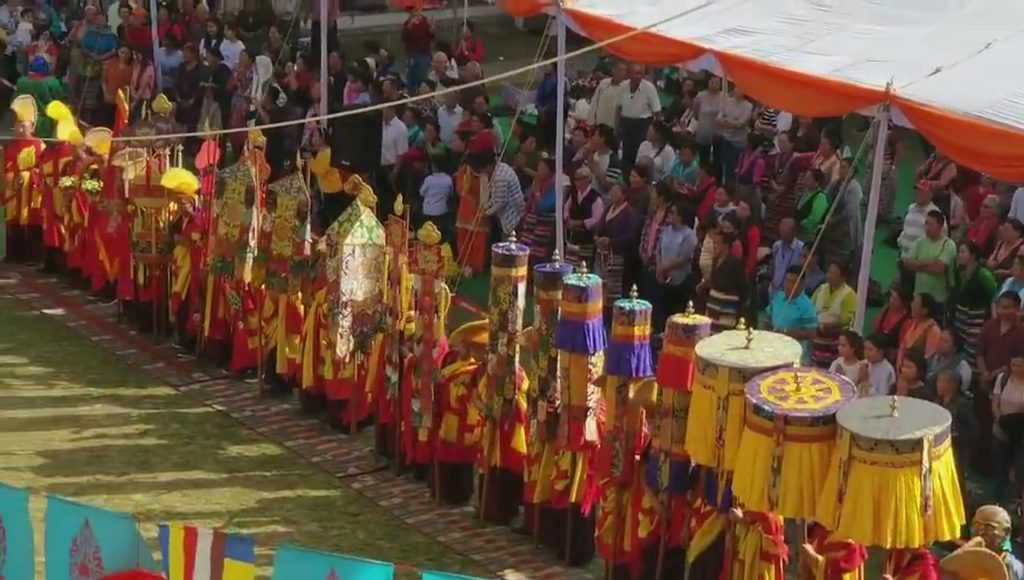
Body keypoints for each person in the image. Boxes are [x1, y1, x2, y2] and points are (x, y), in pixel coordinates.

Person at [977, 291, 1024, 479]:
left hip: (1007, 384)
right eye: (1001, 307)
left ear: (1017, 309)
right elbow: (980, 351)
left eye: (1008, 307)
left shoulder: (1021, 333)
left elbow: (1017, 362)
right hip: (986, 383)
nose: (1004, 311)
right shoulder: (990, 326)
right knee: (984, 427)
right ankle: (984, 469)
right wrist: (983, 372)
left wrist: (994, 375)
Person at [595, 183, 643, 308]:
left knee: (614, 291)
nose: (613, 195)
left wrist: (611, 242)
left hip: (619, 257)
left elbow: (631, 237)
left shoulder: (630, 214)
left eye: (616, 192)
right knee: (602, 288)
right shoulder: (609, 209)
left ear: (623, 195)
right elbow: (599, 226)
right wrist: (597, 237)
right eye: (612, 192)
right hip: (603, 255)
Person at [950, 241, 998, 366]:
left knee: (973, 350)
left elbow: (995, 295)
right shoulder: (959, 272)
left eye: (962, 252)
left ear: (973, 255)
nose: (959, 255)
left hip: (977, 318)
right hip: (960, 316)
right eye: (958, 252)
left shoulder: (983, 274)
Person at [904, 210, 957, 311]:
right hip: (919, 298)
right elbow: (907, 263)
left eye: (930, 224)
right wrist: (930, 262)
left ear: (940, 226)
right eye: (926, 224)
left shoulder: (949, 245)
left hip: (938, 299)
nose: (927, 228)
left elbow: (939, 269)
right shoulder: (920, 242)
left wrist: (917, 266)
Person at [767, 264, 819, 363]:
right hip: (775, 350)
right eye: (786, 280)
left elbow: (811, 333)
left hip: (795, 355)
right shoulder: (778, 297)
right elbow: (769, 316)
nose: (787, 285)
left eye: (792, 282)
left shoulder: (807, 306)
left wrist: (785, 332)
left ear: (802, 284)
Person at [992, 352, 1024, 501]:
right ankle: (998, 499)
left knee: (1019, 469)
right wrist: (1000, 421)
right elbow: (995, 403)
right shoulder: (1003, 379)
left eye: (1019, 366)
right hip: (1001, 430)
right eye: (1013, 365)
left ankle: (1015, 502)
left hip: (1020, 435)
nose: (1015, 368)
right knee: (1000, 467)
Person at [616, 64, 661, 169]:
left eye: (640, 73)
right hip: (626, 123)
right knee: (626, 154)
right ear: (629, 74)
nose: (637, 76)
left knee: (640, 154)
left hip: (643, 125)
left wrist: (657, 131)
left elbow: (657, 111)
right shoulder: (623, 86)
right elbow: (618, 108)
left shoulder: (649, 87)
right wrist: (617, 126)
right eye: (634, 73)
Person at [936, 369, 974, 491]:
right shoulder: (937, 402)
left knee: (957, 481)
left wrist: (956, 435)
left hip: (958, 451)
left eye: (942, 381)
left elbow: (974, 430)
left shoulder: (963, 405)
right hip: (940, 449)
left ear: (953, 385)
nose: (938, 384)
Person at [705, 230, 749, 331]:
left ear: (726, 245)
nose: (714, 246)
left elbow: (743, 288)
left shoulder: (734, 264)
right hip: (713, 306)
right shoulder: (715, 260)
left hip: (727, 309)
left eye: (717, 244)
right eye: (713, 243)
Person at [520, 156, 558, 265]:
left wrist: (537, 193)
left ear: (550, 171)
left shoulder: (553, 186)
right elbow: (526, 196)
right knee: (526, 250)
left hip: (543, 224)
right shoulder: (537, 182)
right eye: (538, 168)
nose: (538, 171)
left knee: (538, 255)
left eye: (542, 168)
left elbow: (545, 206)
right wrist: (533, 189)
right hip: (531, 221)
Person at [564, 165, 604, 268]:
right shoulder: (573, 194)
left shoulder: (595, 197)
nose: (576, 182)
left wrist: (580, 223)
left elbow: (597, 218)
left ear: (587, 179)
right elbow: (566, 208)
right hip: (573, 238)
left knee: (583, 267)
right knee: (571, 265)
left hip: (587, 239)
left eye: (579, 179)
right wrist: (567, 219)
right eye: (575, 179)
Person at [714, 86, 753, 184]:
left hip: (739, 142)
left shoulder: (748, 106)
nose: (737, 91)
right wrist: (731, 123)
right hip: (727, 138)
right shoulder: (727, 101)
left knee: (736, 167)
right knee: (726, 165)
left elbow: (741, 124)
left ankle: (734, 189)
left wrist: (727, 122)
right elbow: (718, 118)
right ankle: (725, 185)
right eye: (736, 88)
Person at [896, 292, 943, 370]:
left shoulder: (933, 330)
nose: (912, 306)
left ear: (925, 310)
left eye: (915, 304)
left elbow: (930, 360)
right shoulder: (913, 323)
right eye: (912, 303)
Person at [926, 329, 973, 397]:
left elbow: (961, 390)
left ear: (954, 348)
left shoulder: (962, 366)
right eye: (940, 339)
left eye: (945, 342)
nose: (940, 343)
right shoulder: (931, 357)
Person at [872, 286, 912, 361]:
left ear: (904, 302)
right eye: (891, 297)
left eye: (895, 299)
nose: (891, 301)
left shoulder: (907, 321)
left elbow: (903, 346)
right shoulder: (885, 312)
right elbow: (875, 329)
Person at [172, 43, 204, 134]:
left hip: (194, 104)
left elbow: (200, 87)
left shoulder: (200, 69)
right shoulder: (181, 67)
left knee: (191, 128)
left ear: (193, 54)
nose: (184, 55)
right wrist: (178, 98)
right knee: (179, 127)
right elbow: (175, 83)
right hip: (180, 101)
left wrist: (192, 100)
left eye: (186, 53)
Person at [768, 217, 803, 298]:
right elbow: (773, 266)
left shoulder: (801, 249)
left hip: (790, 293)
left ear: (794, 232)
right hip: (774, 289)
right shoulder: (777, 246)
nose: (783, 236)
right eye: (781, 232)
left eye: (786, 233)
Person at [401, 5, 434, 90]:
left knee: (422, 78)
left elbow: (431, 37)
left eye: (416, 10)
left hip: (424, 54)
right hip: (412, 54)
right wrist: (409, 26)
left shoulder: (426, 21)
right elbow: (404, 38)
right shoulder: (407, 23)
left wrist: (432, 29)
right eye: (412, 11)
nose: (414, 13)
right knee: (410, 79)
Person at [794, 168, 828, 244]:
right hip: (797, 231)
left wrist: (802, 224)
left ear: (816, 182)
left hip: (809, 235)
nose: (805, 180)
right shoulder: (806, 194)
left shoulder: (820, 197)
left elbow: (815, 218)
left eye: (808, 178)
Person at [588, 61, 625, 128]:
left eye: (623, 71)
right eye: (618, 70)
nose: (620, 73)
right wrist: (591, 122)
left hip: (615, 127)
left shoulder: (626, 88)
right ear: (613, 70)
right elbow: (594, 103)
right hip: (599, 124)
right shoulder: (603, 83)